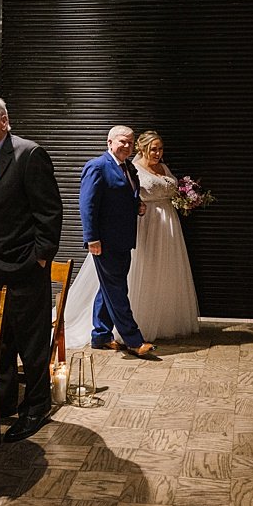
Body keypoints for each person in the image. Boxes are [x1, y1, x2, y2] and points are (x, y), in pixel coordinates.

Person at [0, 95, 63, 443]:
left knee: (30, 343)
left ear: (3, 121)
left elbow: (49, 214)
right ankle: (4, 401)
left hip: (23, 267)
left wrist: (38, 258)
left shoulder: (28, 155)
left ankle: (36, 407)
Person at [78, 125, 155, 357]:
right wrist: (91, 238)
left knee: (110, 287)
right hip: (105, 241)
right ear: (109, 142)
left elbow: (124, 196)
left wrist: (137, 205)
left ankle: (100, 335)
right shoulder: (97, 166)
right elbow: (87, 205)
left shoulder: (128, 167)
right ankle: (133, 340)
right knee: (118, 289)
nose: (126, 146)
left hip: (123, 239)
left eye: (130, 143)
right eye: (122, 141)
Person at [124, 131, 200, 340]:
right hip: (148, 223)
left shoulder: (163, 167)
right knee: (147, 267)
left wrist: (185, 197)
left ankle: (166, 320)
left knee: (166, 268)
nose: (157, 153)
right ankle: (141, 322)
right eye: (153, 149)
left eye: (160, 148)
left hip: (168, 223)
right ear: (142, 148)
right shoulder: (134, 168)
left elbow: (169, 189)